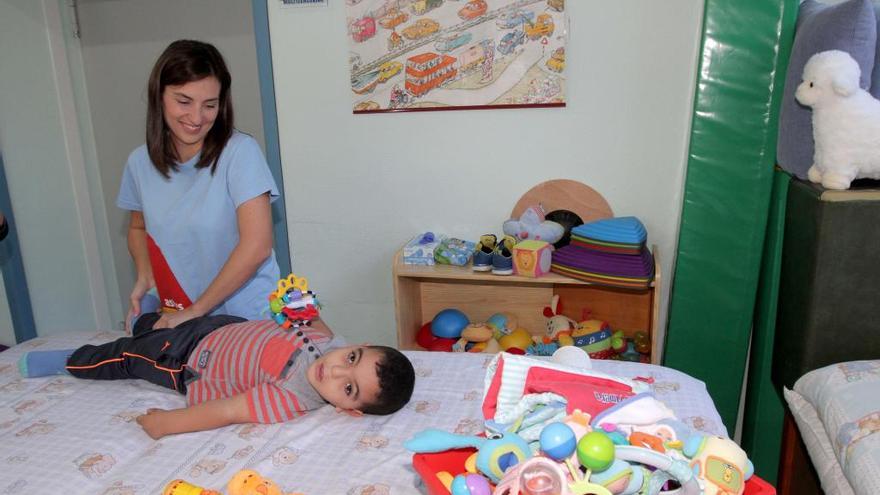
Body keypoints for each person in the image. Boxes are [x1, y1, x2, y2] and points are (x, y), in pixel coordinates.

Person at [18, 314, 416, 440]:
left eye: (348, 387)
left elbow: (227, 410)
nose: (335, 369)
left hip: (185, 360)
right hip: (222, 326)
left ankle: (71, 360)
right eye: (351, 357)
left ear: (349, 410)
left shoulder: (291, 399)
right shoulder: (331, 342)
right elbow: (304, 316)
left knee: (128, 353)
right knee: (160, 324)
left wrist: (166, 424)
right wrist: (301, 302)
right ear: (357, 344)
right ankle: (149, 322)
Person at [118, 39, 280, 332]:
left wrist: (196, 311)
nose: (196, 118)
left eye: (209, 105)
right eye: (183, 101)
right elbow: (138, 227)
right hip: (183, 319)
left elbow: (257, 246)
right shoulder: (139, 163)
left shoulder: (240, 153)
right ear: (159, 96)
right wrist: (145, 274)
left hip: (247, 319)